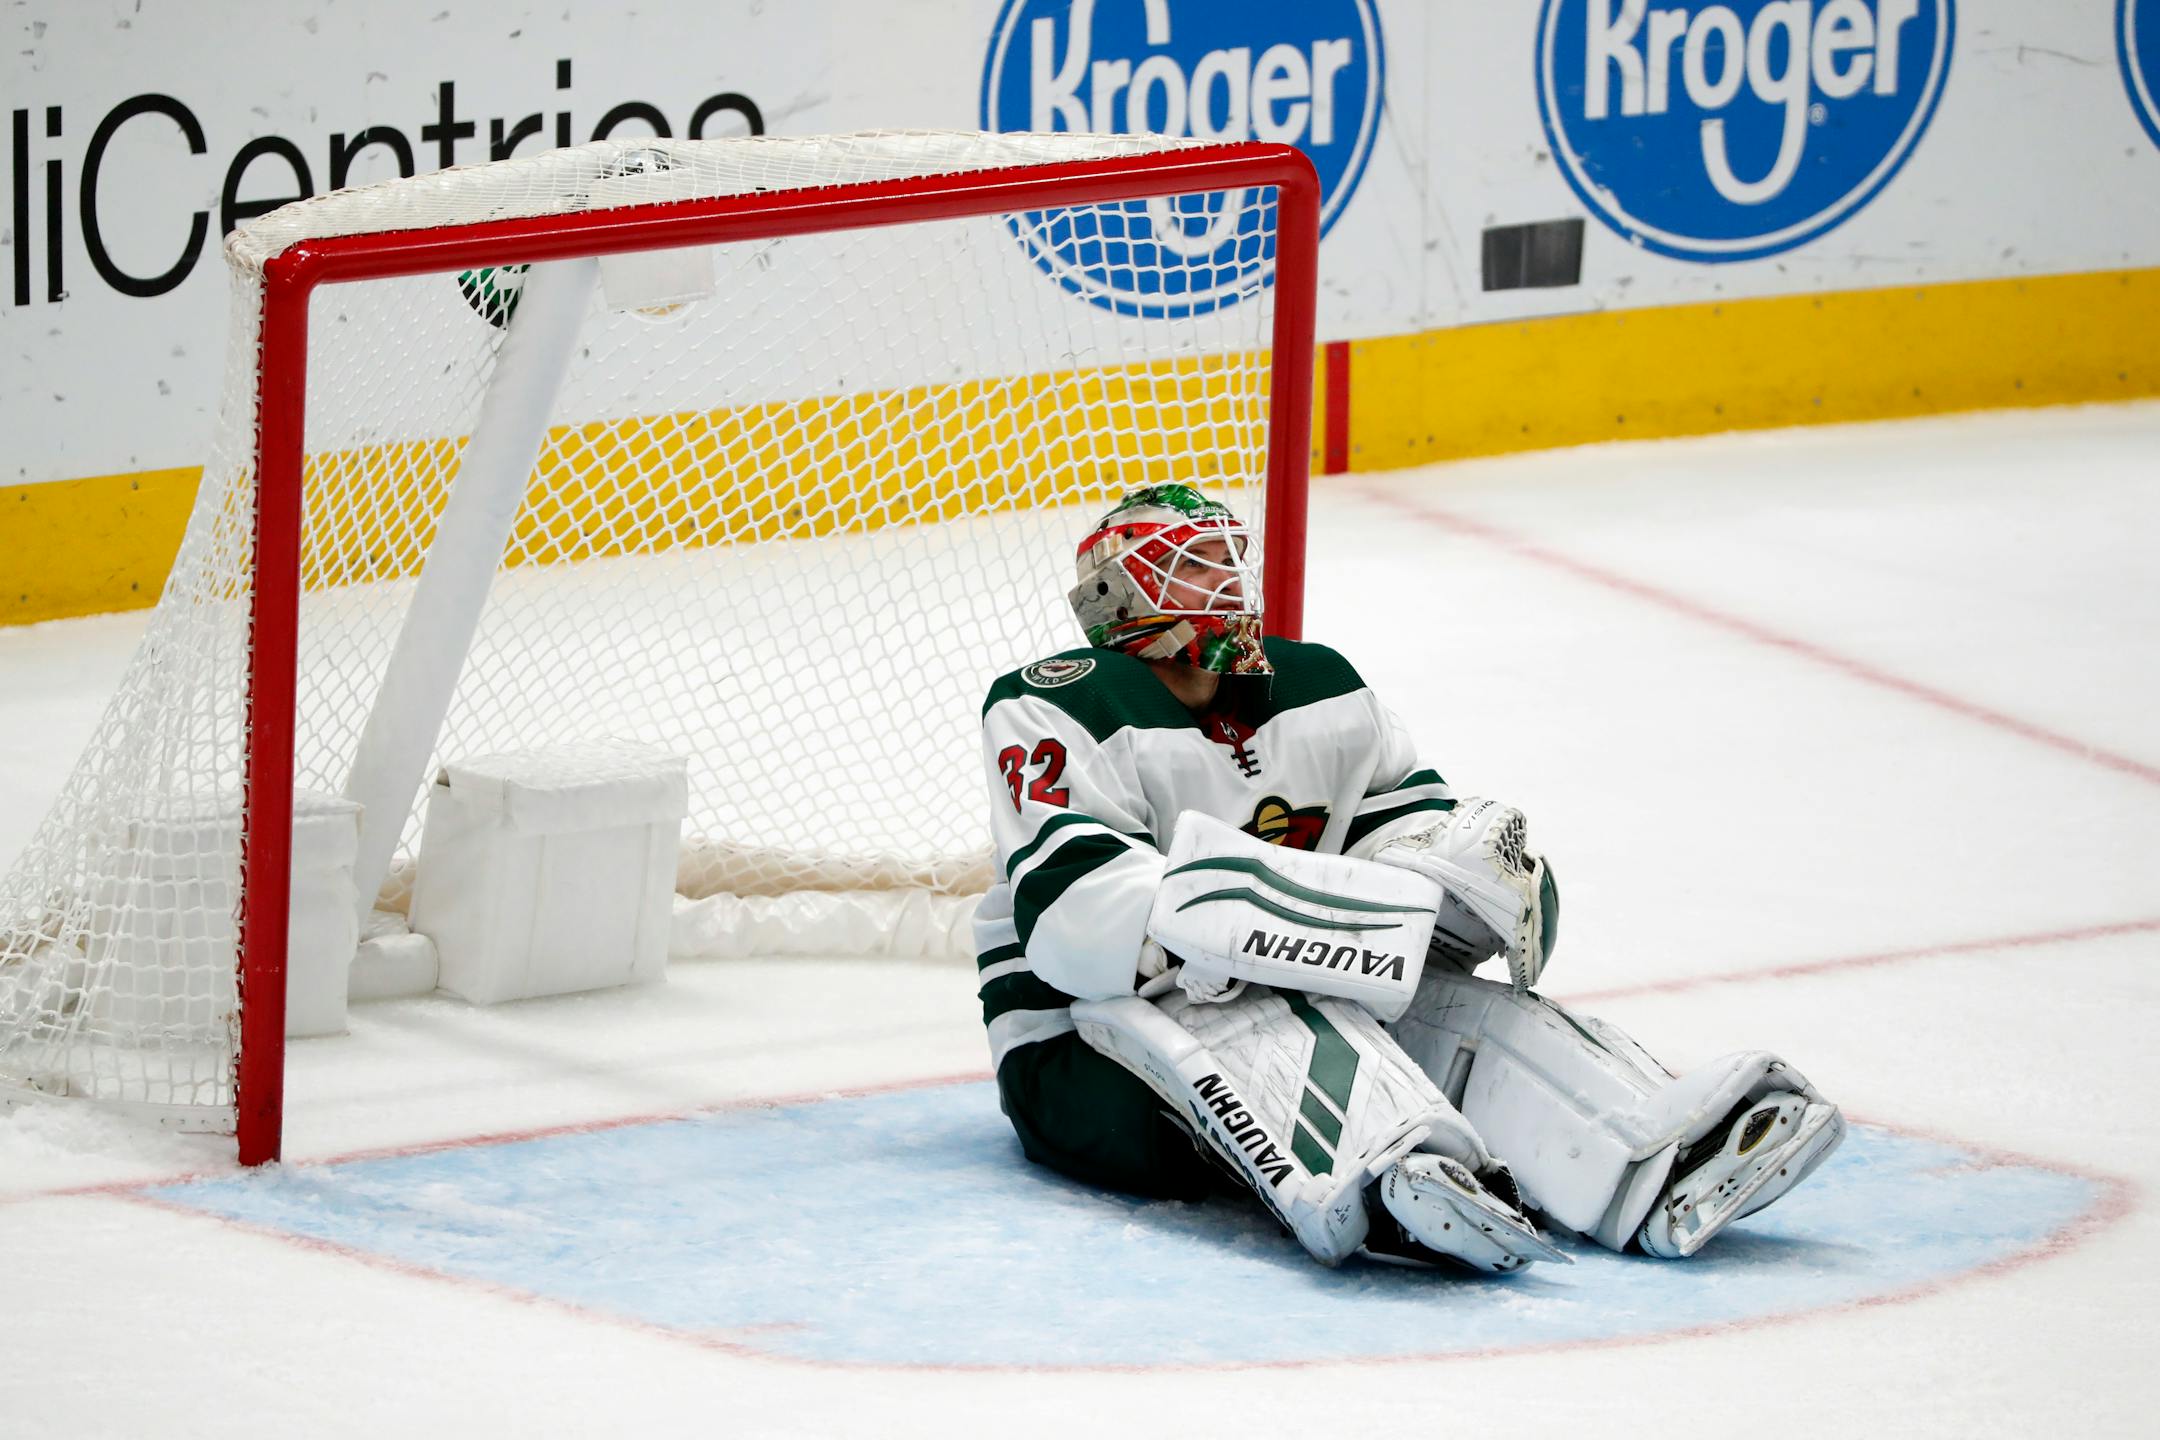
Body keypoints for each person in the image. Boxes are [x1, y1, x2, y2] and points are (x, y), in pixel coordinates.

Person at [974, 483, 1844, 1272]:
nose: (1227, 584)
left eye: (1229, 560)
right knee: (1240, 976)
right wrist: (1345, 922)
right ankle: (1382, 1179)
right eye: (1191, 567)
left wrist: (1464, 887)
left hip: (1296, 993)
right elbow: (1084, 927)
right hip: (1082, 1060)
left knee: (1455, 1014)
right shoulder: (1056, 703)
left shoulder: (1317, 685)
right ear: (1118, 598)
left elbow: (1408, 831)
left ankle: (1649, 1156)